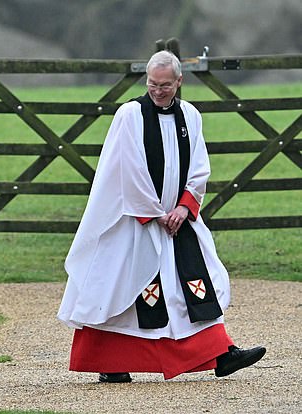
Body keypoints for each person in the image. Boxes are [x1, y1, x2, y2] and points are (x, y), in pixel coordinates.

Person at [57, 50, 266, 383]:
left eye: (165, 85)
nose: (157, 91)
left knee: (192, 288)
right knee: (121, 291)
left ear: (179, 82)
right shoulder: (130, 115)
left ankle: (221, 354)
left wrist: (184, 208)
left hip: (178, 222)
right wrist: (155, 214)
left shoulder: (191, 116)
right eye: (152, 84)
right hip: (135, 221)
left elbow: (199, 167)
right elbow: (127, 168)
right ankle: (111, 363)